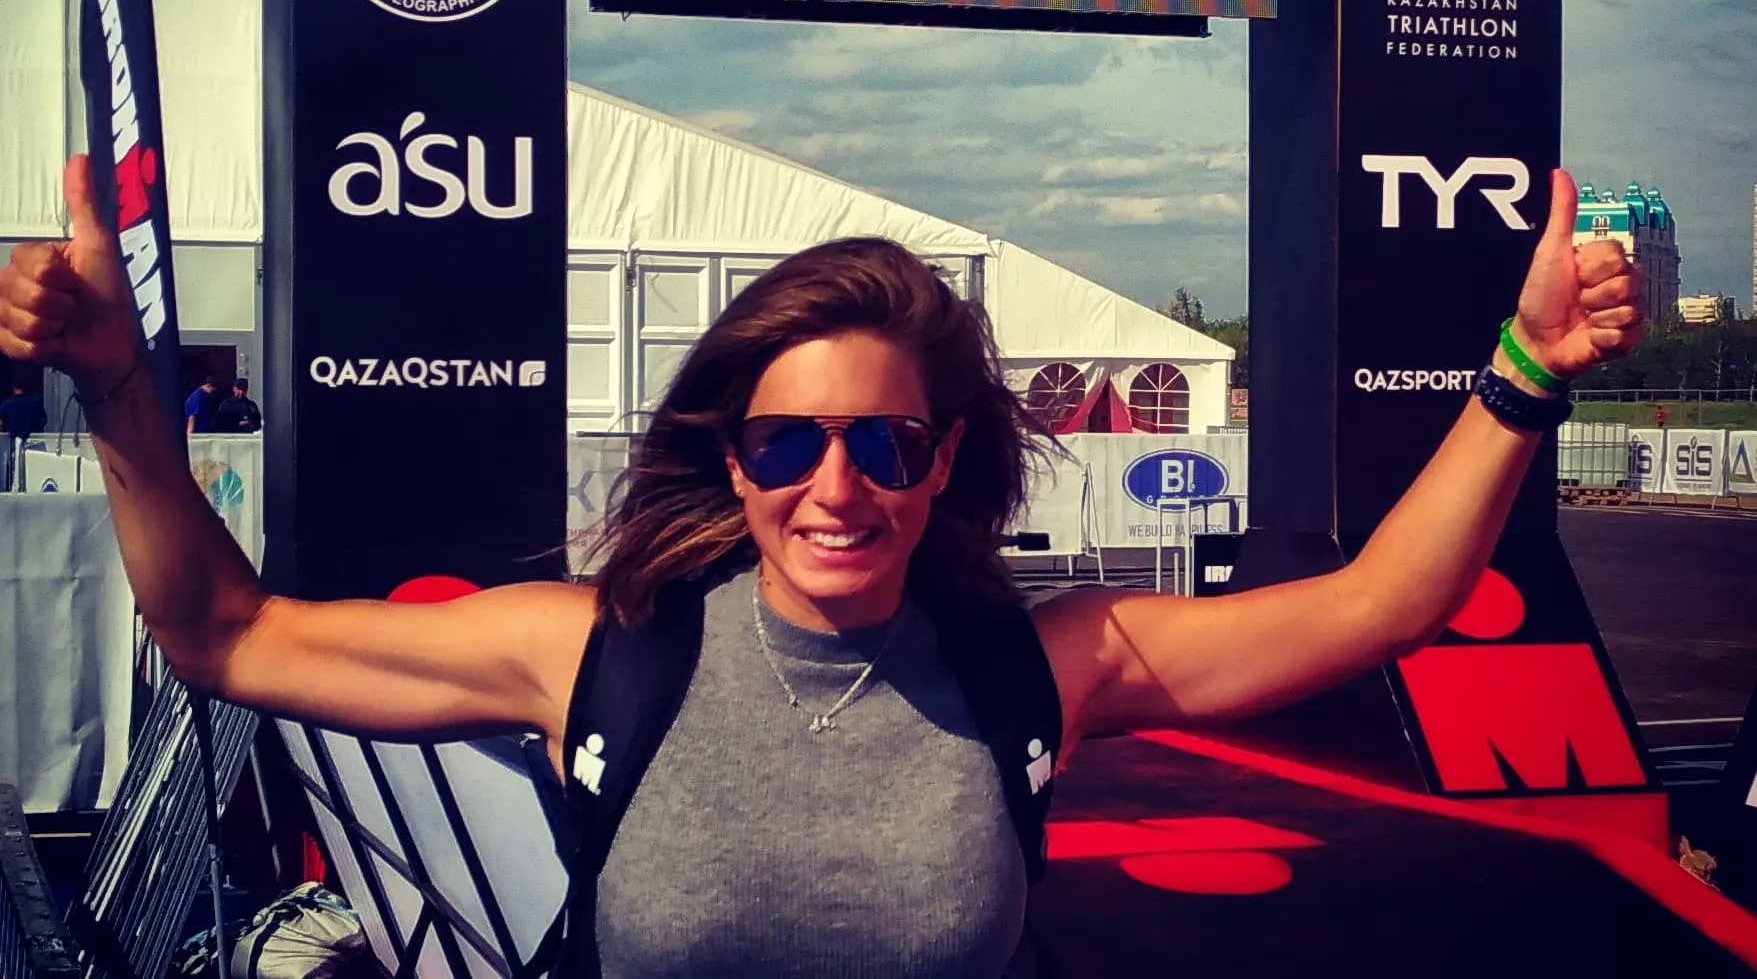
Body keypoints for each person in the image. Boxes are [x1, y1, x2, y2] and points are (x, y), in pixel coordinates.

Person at [0, 154, 1644, 978]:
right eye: (787, 443)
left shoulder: (1042, 661)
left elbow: (1384, 604)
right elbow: (225, 633)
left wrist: (1525, 369)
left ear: (944, 459)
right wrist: (120, 385)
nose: (835, 487)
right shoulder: (593, 651)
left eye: (885, 443)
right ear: (733, 456)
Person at [0, 372, 48, 492]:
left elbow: (0, 424)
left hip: (12, 445)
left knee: (12, 474)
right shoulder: (35, 403)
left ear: (13, 387)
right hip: (33, 445)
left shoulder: (6, 404)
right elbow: (44, 420)